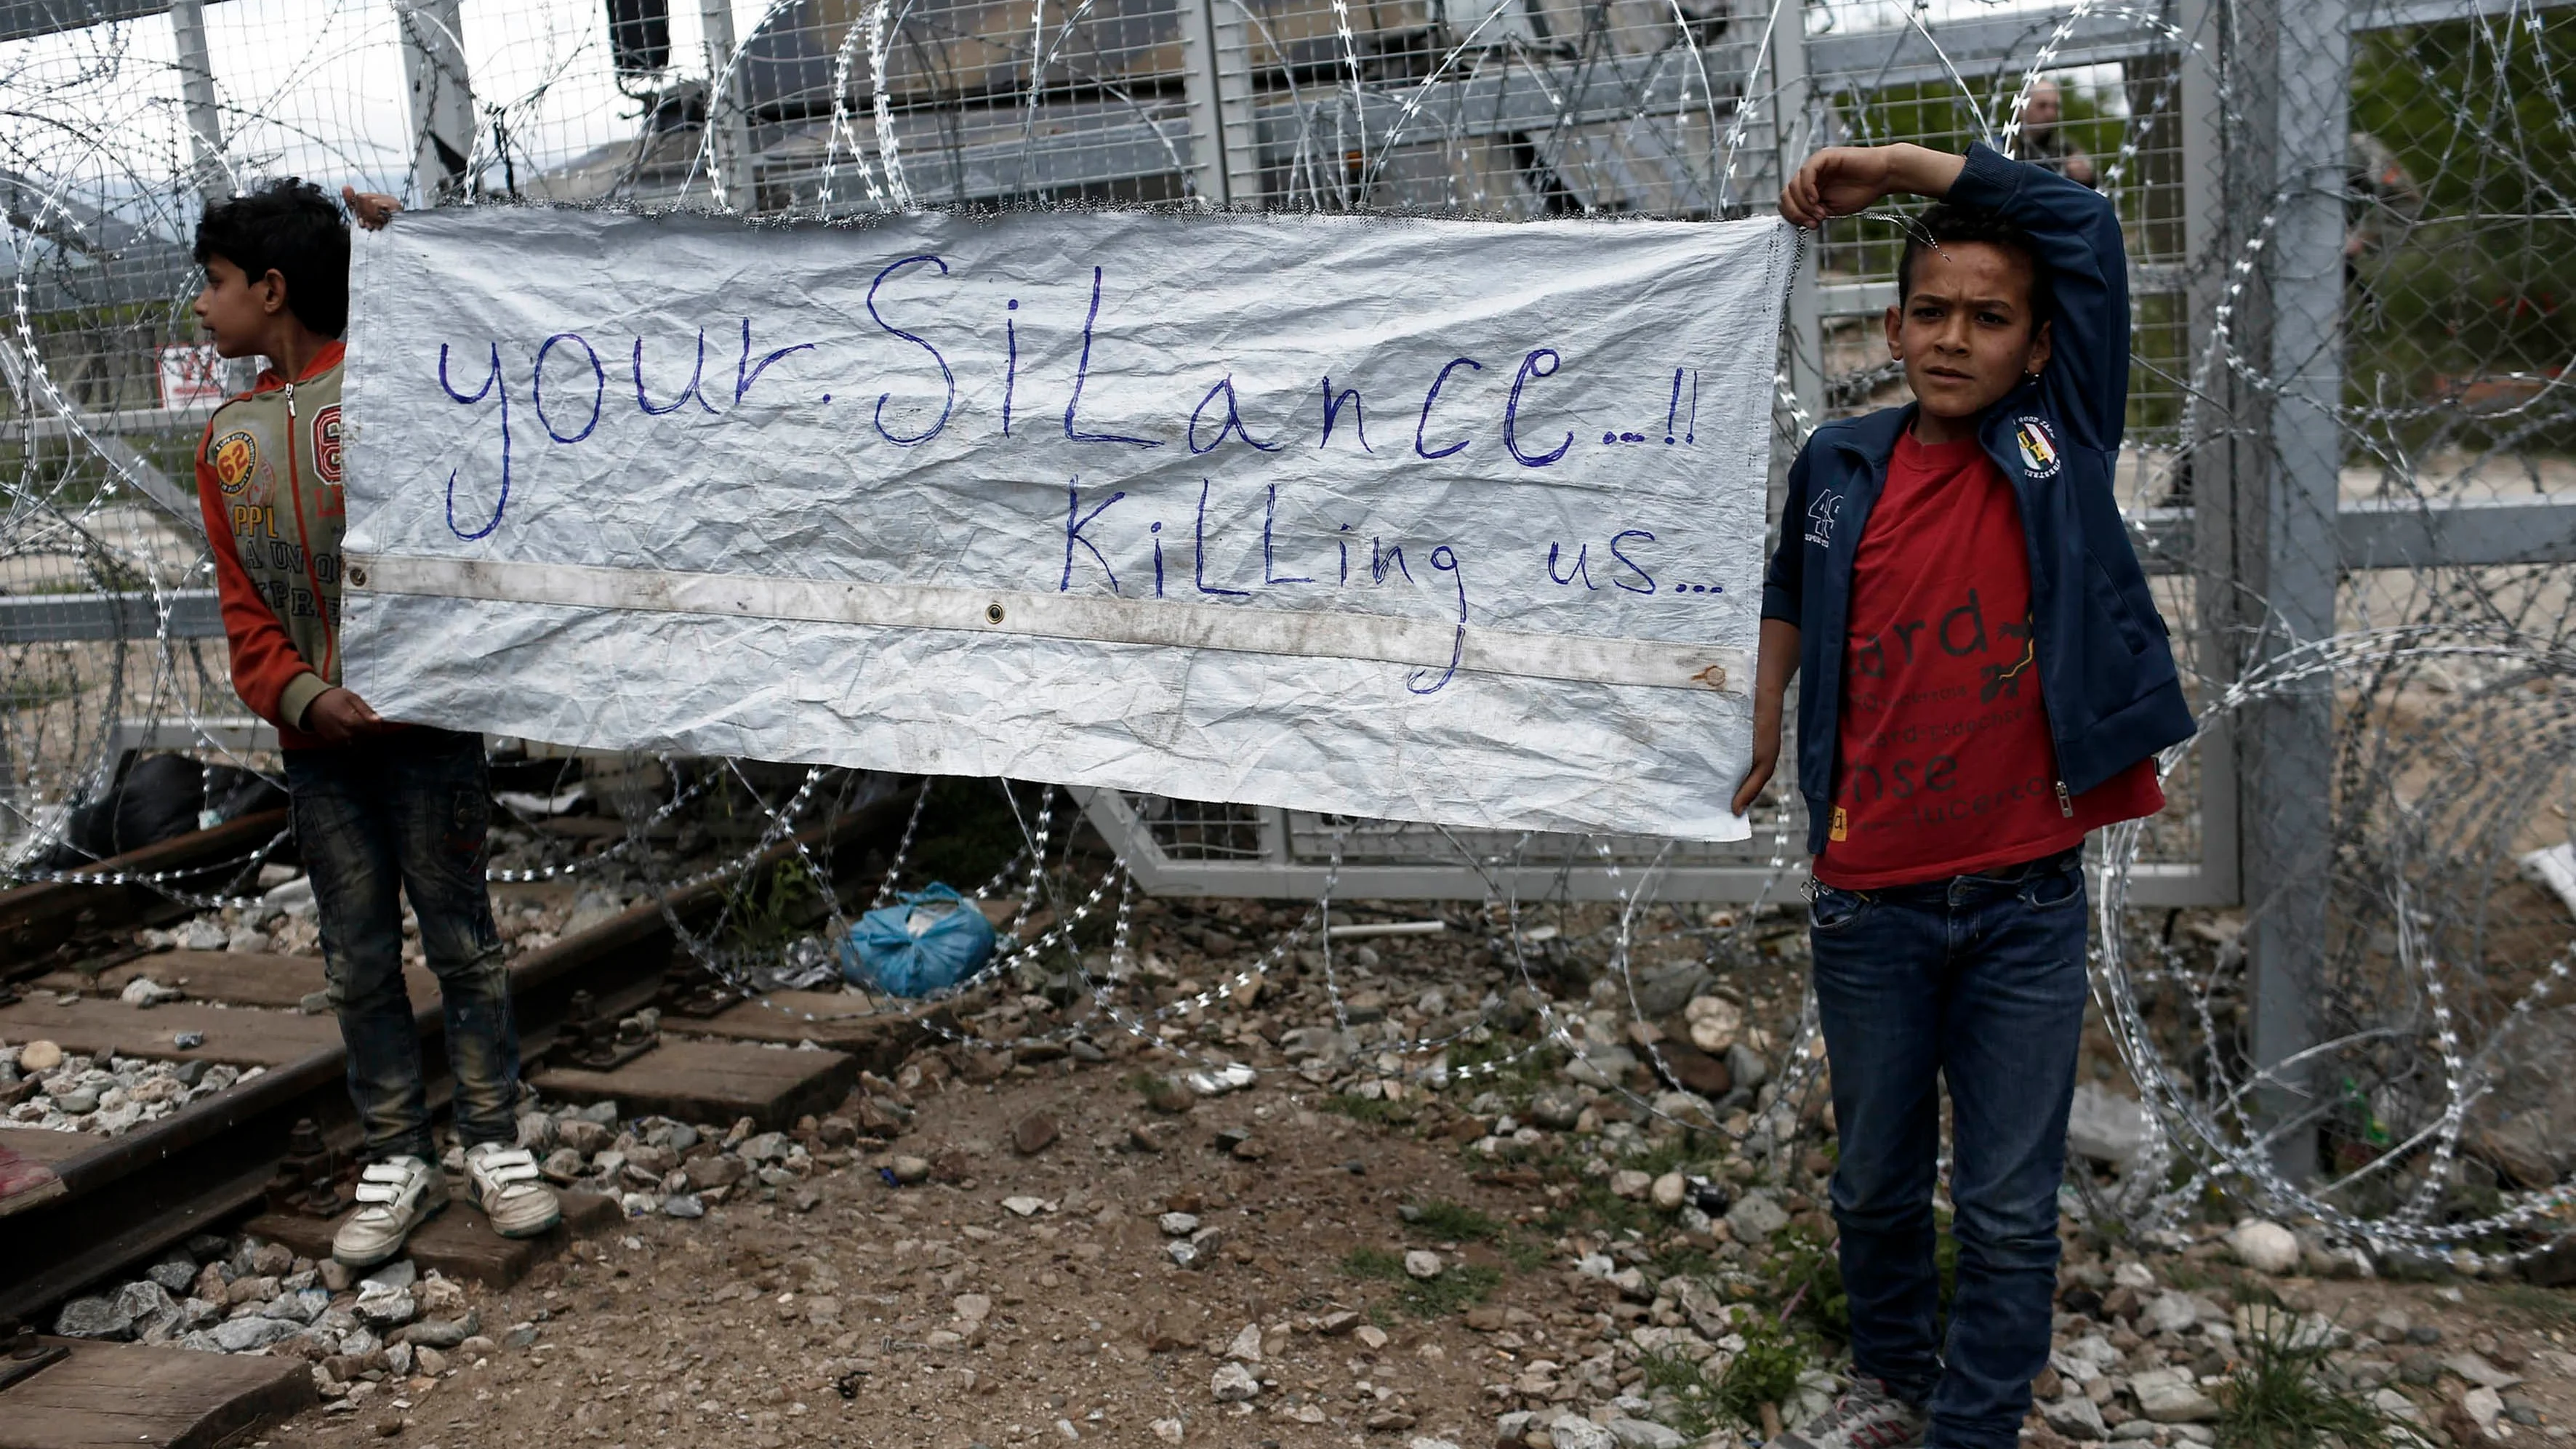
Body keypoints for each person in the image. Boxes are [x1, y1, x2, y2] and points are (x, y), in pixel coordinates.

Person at [1737, 143, 2194, 1449]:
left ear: (2037, 345)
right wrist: (1766, 711)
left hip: (2021, 905)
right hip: (1867, 897)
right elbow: (1785, 590)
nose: (1952, 339)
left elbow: (2083, 223)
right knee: (1875, 1177)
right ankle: (1891, 1379)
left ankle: (1977, 1421)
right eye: (1928, 312)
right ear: (1889, 327)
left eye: (1989, 318)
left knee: (2003, 1197)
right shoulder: (1836, 462)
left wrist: (1890, 168)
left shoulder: (2055, 441)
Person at [192, 179, 561, 1267]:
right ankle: (398, 1153)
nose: (201, 309)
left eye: (213, 285)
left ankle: (493, 1139)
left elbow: (485, 339)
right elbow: (243, 611)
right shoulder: (228, 443)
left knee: (465, 947)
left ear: (271, 288)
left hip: (430, 732)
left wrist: (409, 247)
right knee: (356, 959)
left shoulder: (397, 386)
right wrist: (309, 697)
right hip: (321, 756)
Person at [2012, 79, 2096, 188]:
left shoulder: (2067, 147)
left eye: (2055, 107)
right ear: (2022, 108)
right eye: (2042, 106)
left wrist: (2086, 178)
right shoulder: (2005, 145)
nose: (2050, 113)